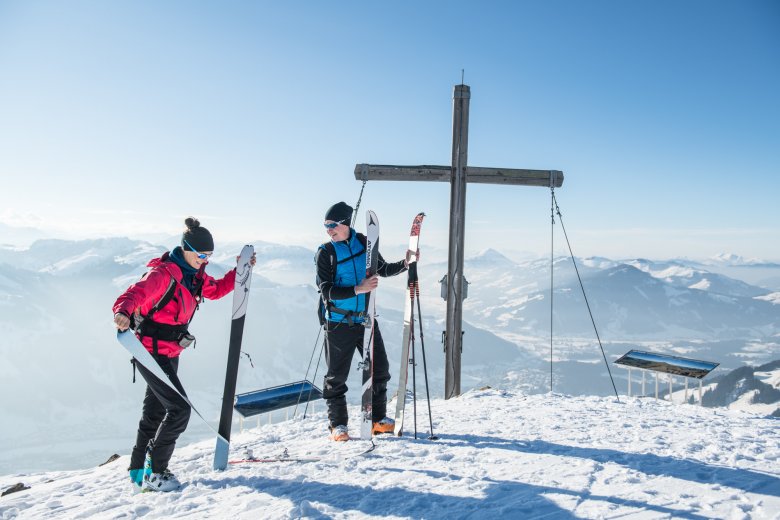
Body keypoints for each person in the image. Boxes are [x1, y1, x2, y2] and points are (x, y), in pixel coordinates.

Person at [113, 217, 255, 492]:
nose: (205, 260)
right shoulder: (164, 274)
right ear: (186, 249)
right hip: (150, 353)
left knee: (154, 413)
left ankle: (137, 470)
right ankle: (156, 472)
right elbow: (134, 293)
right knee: (179, 410)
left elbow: (215, 291)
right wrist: (122, 312)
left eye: (210, 256)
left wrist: (239, 270)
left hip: (169, 352)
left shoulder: (195, 277)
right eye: (202, 255)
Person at [315, 202, 408, 441]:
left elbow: (383, 268)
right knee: (336, 377)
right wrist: (359, 289)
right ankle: (338, 426)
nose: (328, 230)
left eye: (332, 225)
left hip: (366, 320)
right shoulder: (326, 253)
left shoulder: (366, 243)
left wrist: (405, 264)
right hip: (338, 323)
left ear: (345, 223)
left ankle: (377, 419)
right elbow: (326, 291)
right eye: (326, 226)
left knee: (380, 369)